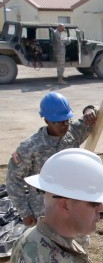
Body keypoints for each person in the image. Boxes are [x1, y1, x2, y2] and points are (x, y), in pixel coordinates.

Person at [7, 92, 97, 228]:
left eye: (66, 120)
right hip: (44, 211)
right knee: (49, 246)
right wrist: (25, 213)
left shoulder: (73, 133)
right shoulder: (30, 146)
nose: (64, 125)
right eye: (58, 122)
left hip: (73, 205)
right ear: (46, 120)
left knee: (76, 243)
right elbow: (13, 180)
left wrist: (89, 109)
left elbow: (98, 112)